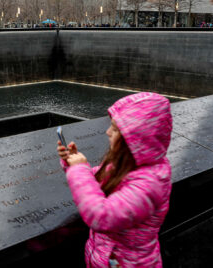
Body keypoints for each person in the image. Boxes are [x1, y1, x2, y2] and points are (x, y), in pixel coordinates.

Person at [57, 92, 173, 268]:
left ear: (136, 139)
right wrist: (74, 163)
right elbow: (102, 178)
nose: (108, 132)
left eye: (116, 129)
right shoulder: (129, 163)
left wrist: (79, 170)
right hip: (105, 257)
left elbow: (102, 216)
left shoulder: (150, 184)